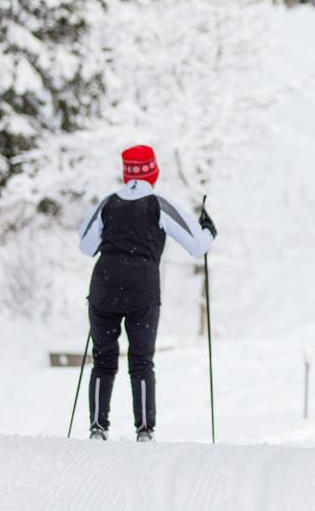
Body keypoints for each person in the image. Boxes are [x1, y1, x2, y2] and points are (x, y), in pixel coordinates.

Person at [77, 145, 217, 442]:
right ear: (153, 171)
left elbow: (86, 246)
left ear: (126, 172)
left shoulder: (106, 204)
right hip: (142, 290)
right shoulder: (160, 204)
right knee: (141, 360)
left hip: (103, 286)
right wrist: (208, 229)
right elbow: (197, 246)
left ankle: (98, 428)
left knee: (103, 359)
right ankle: (144, 430)